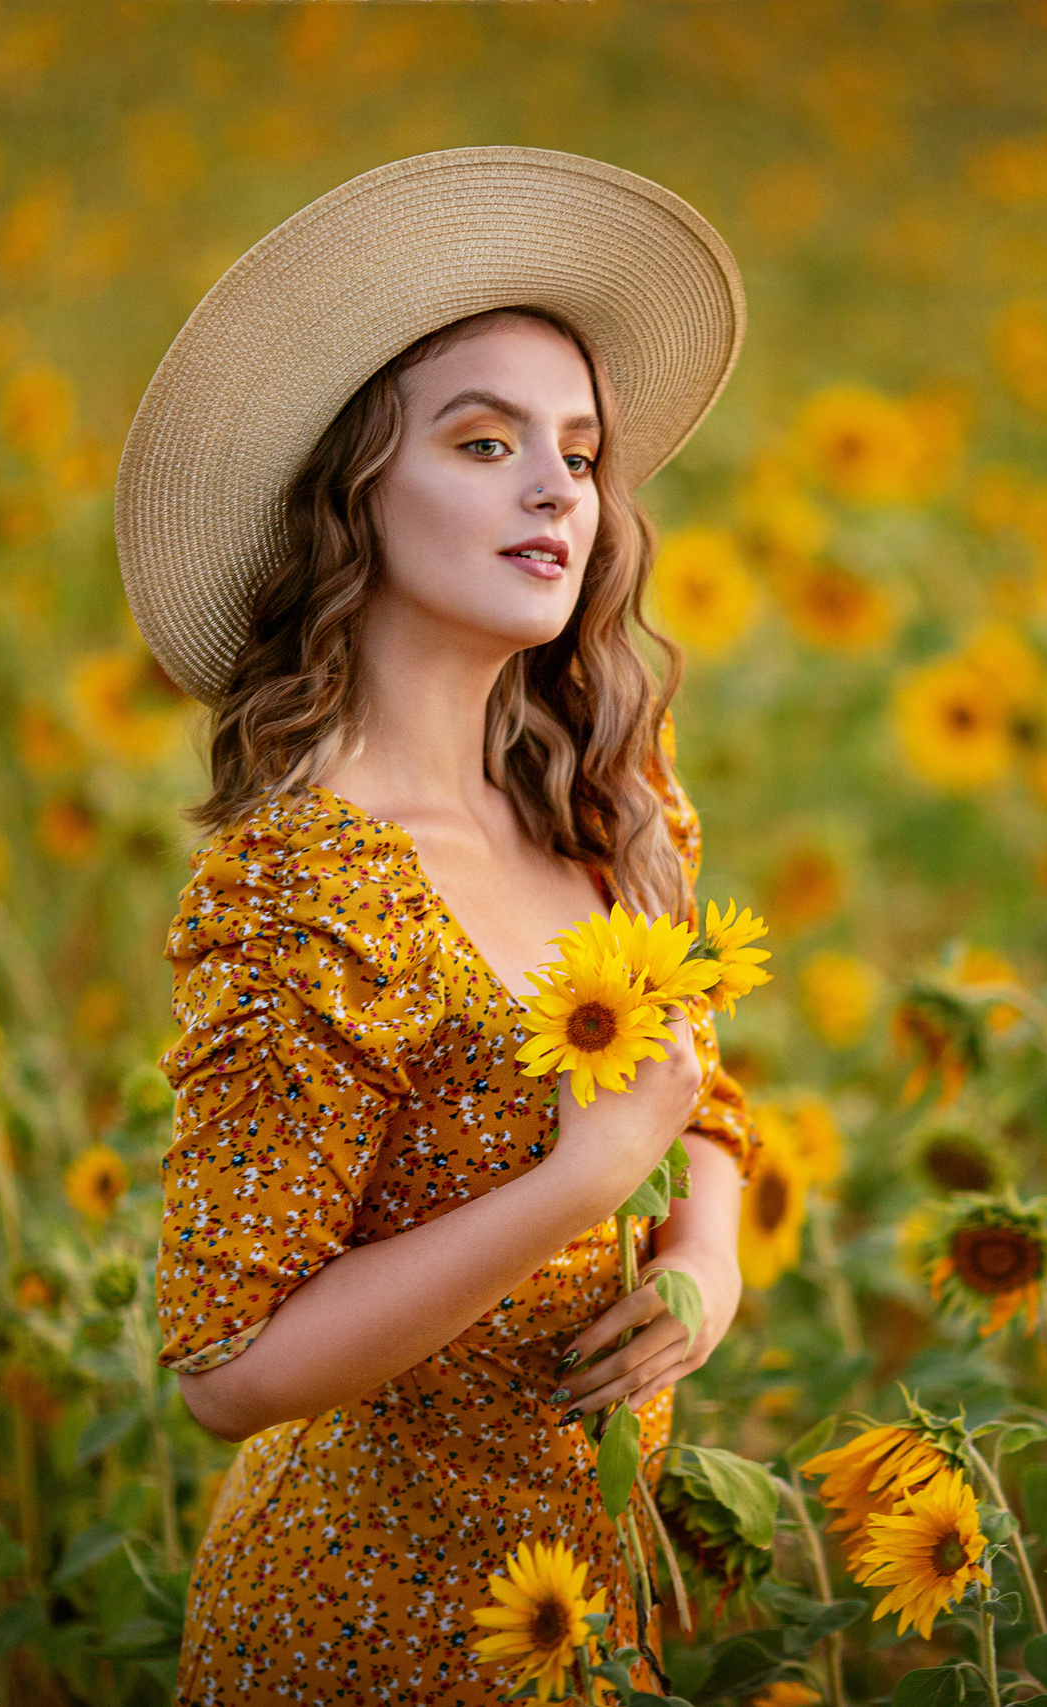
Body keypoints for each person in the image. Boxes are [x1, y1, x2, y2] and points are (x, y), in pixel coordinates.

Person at [112, 147, 757, 1704]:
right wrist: (578, 1183)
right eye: (486, 443)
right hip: (360, 1628)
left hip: (590, 1607)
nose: (559, 490)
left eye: (583, 454)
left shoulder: (607, 792)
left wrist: (707, 1260)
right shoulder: (305, 890)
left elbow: (700, 1102)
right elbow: (230, 1367)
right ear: (354, 494)